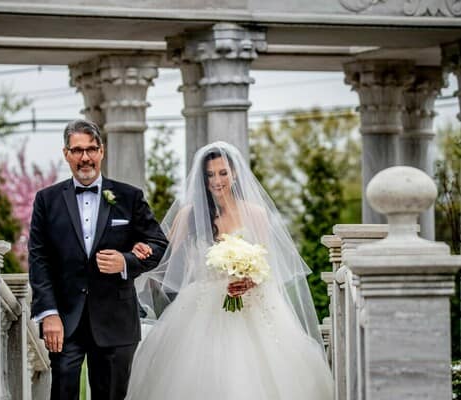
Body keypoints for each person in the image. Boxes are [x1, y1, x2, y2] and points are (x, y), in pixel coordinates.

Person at [126, 141, 333, 400]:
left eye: (223, 173)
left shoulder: (255, 214)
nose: (217, 180)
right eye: (210, 174)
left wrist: (251, 280)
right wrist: (139, 250)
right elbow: (161, 253)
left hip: (251, 304)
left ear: (234, 174)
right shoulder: (188, 215)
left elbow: (267, 265)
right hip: (201, 304)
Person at [28, 119, 168, 400]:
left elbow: (159, 243)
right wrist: (48, 313)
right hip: (65, 320)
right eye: (77, 150)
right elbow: (38, 258)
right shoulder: (47, 200)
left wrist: (127, 261)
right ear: (66, 154)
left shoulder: (129, 197)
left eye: (91, 149)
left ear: (102, 151)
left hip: (116, 321)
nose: (85, 158)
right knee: (63, 392)